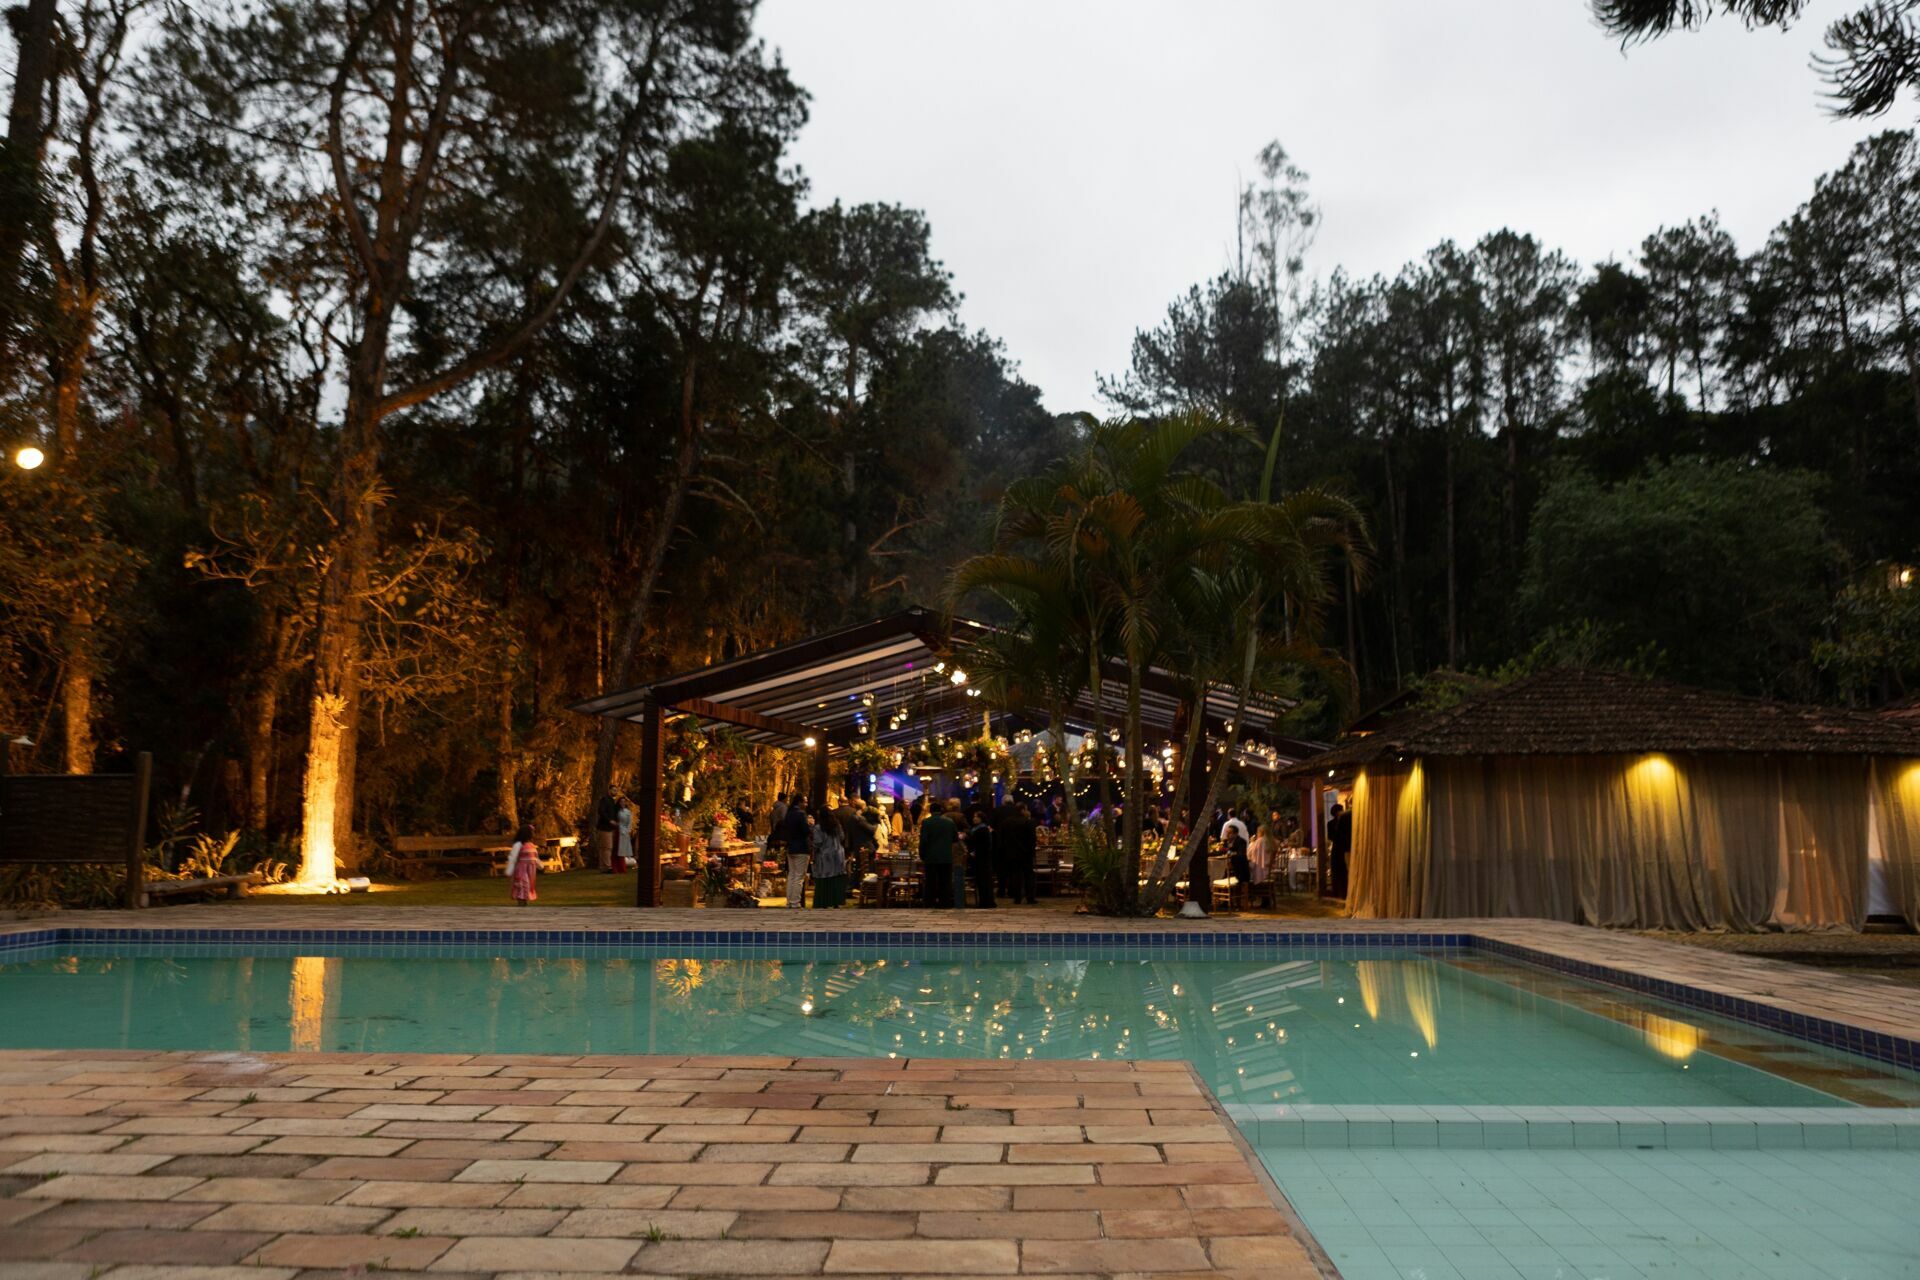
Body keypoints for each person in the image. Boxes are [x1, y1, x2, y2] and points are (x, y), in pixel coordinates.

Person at [917, 799, 959, 908]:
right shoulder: (949, 822)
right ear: (941, 810)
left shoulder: (927, 822)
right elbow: (955, 838)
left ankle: (930, 902)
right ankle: (945, 902)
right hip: (946, 856)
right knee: (945, 880)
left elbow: (924, 840)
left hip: (931, 856)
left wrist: (922, 854)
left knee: (931, 880)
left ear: (930, 811)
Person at [776, 799, 811, 907]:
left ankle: (789, 901)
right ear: (799, 802)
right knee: (799, 876)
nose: (806, 804)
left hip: (791, 848)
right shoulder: (801, 814)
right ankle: (795, 901)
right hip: (801, 848)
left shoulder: (789, 814)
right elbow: (806, 831)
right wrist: (810, 824)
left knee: (791, 875)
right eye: (804, 802)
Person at [811, 809, 849, 908]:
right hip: (838, 854)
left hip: (825, 855)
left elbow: (817, 842)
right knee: (836, 878)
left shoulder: (818, 828)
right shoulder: (837, 826)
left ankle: (824, 902)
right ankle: (836, 902)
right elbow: (842, 837)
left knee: (825, 879)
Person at [1005, 801, 1039, 905]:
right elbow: (1032, 839)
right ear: (1023, 810)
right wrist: (1032, 851)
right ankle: (1030, 897)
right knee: (1028, 875)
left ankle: (1017, 897)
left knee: (1015, 874)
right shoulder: (1028, 822)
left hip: (1013, 852)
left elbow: (1004, 837)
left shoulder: (1007, 822)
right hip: (1026, 852)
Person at [967, 809, 997, 909]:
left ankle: (986, 902)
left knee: (984, 881)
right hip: (980, 858)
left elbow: (984, 845)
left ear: (982, 819)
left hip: (982, 859)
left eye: (977, 817)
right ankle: (985, 901)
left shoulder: (982, 829)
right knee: (982, 881)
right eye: (974, 816)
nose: (975, 818)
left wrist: (974, 852)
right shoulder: (976, 829)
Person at [506, 823, 539, 906]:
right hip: (522, 869)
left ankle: (524, 901)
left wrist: (539, 864)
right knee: (523, 884)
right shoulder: (518, 845)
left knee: (529, 885)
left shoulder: (532, 845)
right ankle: (521, 901)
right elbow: (513, 857)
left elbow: (535, 857)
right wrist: (509, 870)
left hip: (531, 870)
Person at [1327, 801, 1353, 897]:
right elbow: (1330, 836)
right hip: (1336, 848)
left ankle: (1345, 891)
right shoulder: (1330, 823)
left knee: (1344, 870)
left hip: (1344, 847)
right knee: (1335, 869)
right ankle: (1336, 891)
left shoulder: (1347, 820)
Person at [594, 793, 619, 872]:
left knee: (604, 848)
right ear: (609, 790)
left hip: (609, 828)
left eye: (616, 790)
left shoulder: (612, 801)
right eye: (613, 790)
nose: (615, 791)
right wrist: (609, 820)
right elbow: (601, 811)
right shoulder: (605, 800)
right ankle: (607, 866)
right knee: (607, 847)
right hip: (605, 828)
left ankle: (603, 866)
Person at [614, 798, 634, 873]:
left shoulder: (627, 812)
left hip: (624, 832)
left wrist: (627, 831)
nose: (623, 803)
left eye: (624, 802)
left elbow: (629, 822)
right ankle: (617, 867)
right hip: (617, 830)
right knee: (617, 849)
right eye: (621, 801)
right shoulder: (617, 811)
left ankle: (622, 867)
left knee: (623, 850)